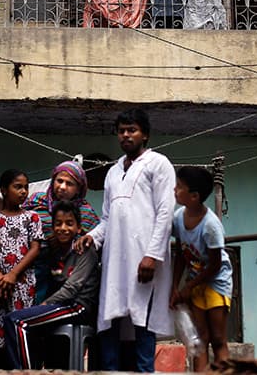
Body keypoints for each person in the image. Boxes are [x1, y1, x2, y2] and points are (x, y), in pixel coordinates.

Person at [75, 108, 175, 372]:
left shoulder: (158, 164)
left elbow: (165, 212)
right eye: (122, 131)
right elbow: (108, 218)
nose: (126, 135)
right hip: (114, 260)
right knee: (111, 319)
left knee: (143, 320)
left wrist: (152, 255)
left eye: (132, 130)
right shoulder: (113, 171)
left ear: (145, 134)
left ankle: (144, 372)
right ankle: (111, 371)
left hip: (144, 257)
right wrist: (92, 237)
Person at [3, 201, 101, 369]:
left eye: (69, 224)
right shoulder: (54, 250)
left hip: (79, 306)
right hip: (62, 305)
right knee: (16, 320)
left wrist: (46, 304)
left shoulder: (84, 249)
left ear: (78, 228)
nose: (63, 228)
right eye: (58, 224)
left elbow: (72, 288)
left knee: (17, 321)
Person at [171, 166, 233, 371]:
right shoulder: (179, 218)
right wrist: (174, 286)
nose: (174, 189)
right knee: (200, 338)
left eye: (179, 187)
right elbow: (180, 254)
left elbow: (215, 265)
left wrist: (189, 286)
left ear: (194, 196)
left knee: (217, 338)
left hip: (216, 282)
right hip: (196, 281)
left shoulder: (211, 226)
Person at [0, 169, 44, 365]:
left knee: (20, 328)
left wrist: (13, 275)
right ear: (4, 190)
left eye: (25, 187)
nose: (23, 191)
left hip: (22, 283)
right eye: (17, 187)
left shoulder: (32, 217)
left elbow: (35, 249)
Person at [23, 159, 100, 300]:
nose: (62, 187)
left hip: (68, 277)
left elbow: (92, 246)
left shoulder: (87, 214)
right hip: (30, 268)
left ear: (79, 188)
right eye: (59, 181)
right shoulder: (36, 201)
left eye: (69, 184)